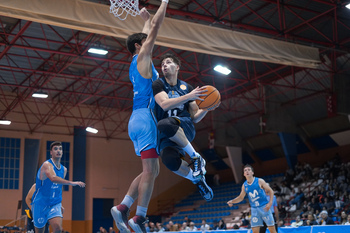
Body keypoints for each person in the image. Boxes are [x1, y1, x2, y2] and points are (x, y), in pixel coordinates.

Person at [110, 2, 169, 233]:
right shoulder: (143, 56)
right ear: (138, 46)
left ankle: (123, 207)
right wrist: (163, 3)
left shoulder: (134, 62)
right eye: (144, 42)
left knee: (151, 171)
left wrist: (144, 18)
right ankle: (139, 217)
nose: (149, 43)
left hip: (136, 119)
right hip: (146, 119)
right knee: (151, 171)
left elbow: (147, 32)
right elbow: (155, 28)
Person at [152, 53, 219, 201]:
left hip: (184, 126)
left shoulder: (187, 87)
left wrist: (207, 108)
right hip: (166, 133)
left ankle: (196, 157)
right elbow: (164, 104)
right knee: (169, 160)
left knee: (165, 123)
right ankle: (196, 180)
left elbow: (195, 117)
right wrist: (189, 96)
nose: (164, 65)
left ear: (177, 67)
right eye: (162, 63)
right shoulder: (158, 84)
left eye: (168, 62)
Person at [31, 141, 86, 233]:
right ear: (51, 152)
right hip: (40, 203)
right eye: (55, 149)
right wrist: (71, 183)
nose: (58, 151)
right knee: (40, 231)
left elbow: (59, 187)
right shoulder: (46, 165)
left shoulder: (64, 169)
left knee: (58, 228)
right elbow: (53, 178)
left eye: (60, 149)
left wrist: (60, 203)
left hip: (54, 203)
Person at [227, 165, 277, 233]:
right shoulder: (244, 185)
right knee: (255, 231)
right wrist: (232, 201)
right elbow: (241, 197)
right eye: (245, 170)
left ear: (252, 172)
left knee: (272, 230)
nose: (247, 171)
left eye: (249, 170)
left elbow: (271, 191)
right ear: (244, 174)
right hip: (254, 209)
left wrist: (270, 203)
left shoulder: (259, 181)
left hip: (264, 207)